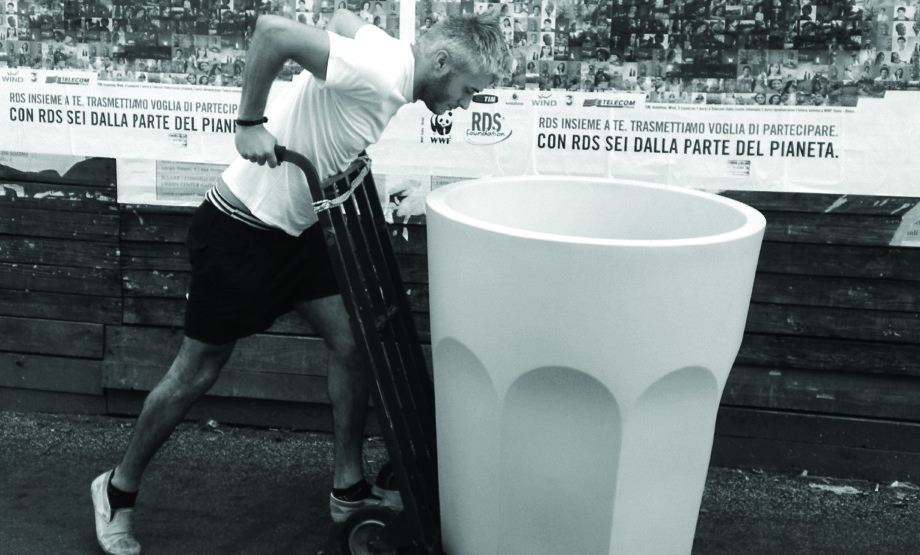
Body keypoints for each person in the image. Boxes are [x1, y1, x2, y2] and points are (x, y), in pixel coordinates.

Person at [90, 10, 510, 555]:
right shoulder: (381, 71)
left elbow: (342, 17)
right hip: (241, 232)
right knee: (195, 374)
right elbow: (273, 32)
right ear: (443, 61)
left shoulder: (390, 58)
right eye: (468, 90)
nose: (465, 104)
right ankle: (116, 490)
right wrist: (250, 122)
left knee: (352, 343)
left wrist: (326, 122)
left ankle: (348, 489)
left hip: (299, 230)